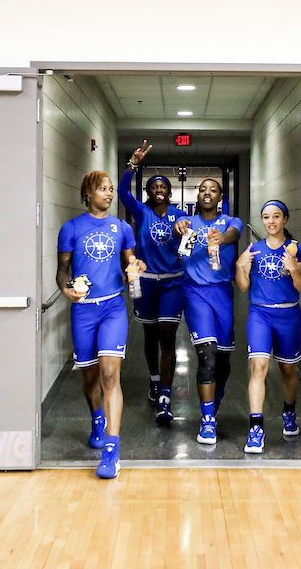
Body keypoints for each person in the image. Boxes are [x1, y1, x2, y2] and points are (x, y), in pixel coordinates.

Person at [57, 170, 141, 479]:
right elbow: (62, 270)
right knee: (91, 378)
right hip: (84, 311)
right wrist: (66, 290)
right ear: (87, 194)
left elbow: (130, 263)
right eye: (101, 189)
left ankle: (112, 449)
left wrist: (136, 266)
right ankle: (96, 418)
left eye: (110, 189)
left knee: (109, 375)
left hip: (113, 308)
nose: (108, 193)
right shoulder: (72, 228)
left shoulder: (122, 228)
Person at [119, 141, 187, 424]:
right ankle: (154, 378)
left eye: (163, 187)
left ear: (169, 192)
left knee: (167, 336)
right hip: (146, 282)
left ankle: (165, 395)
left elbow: (189, 247)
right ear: (148, 192)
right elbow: (122, 192)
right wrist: (132, 165)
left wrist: (184, 233)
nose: (159, 191)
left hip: (172, 283)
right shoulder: (140, 213)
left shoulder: (181, 215)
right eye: (154, 187)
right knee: (149, 336)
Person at [235, 200, 301, 454]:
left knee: (288, 369)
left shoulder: (297, 251)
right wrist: (240, 268)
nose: (271, 221)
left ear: (285, 219)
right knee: (258, 367)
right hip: (260, 314)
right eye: (266, 217)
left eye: (276, 216)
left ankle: (289, 412)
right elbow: (243, 287)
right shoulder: (253, 249)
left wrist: (293, 269)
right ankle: (256, 428)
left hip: (288, 315)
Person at [174, 177, 241, 445]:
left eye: (213, 190)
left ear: (220, 197)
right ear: (197, 195)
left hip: (222, 293)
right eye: (202, 189)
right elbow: (183, 256)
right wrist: (181, 233)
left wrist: (221, 238)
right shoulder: (190, 226)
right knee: (208, 355)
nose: (207, 193)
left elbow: (234, 235)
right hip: (195, 292)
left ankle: (217, 398)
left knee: (223, 362)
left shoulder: (230, 222)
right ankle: (207, 422)